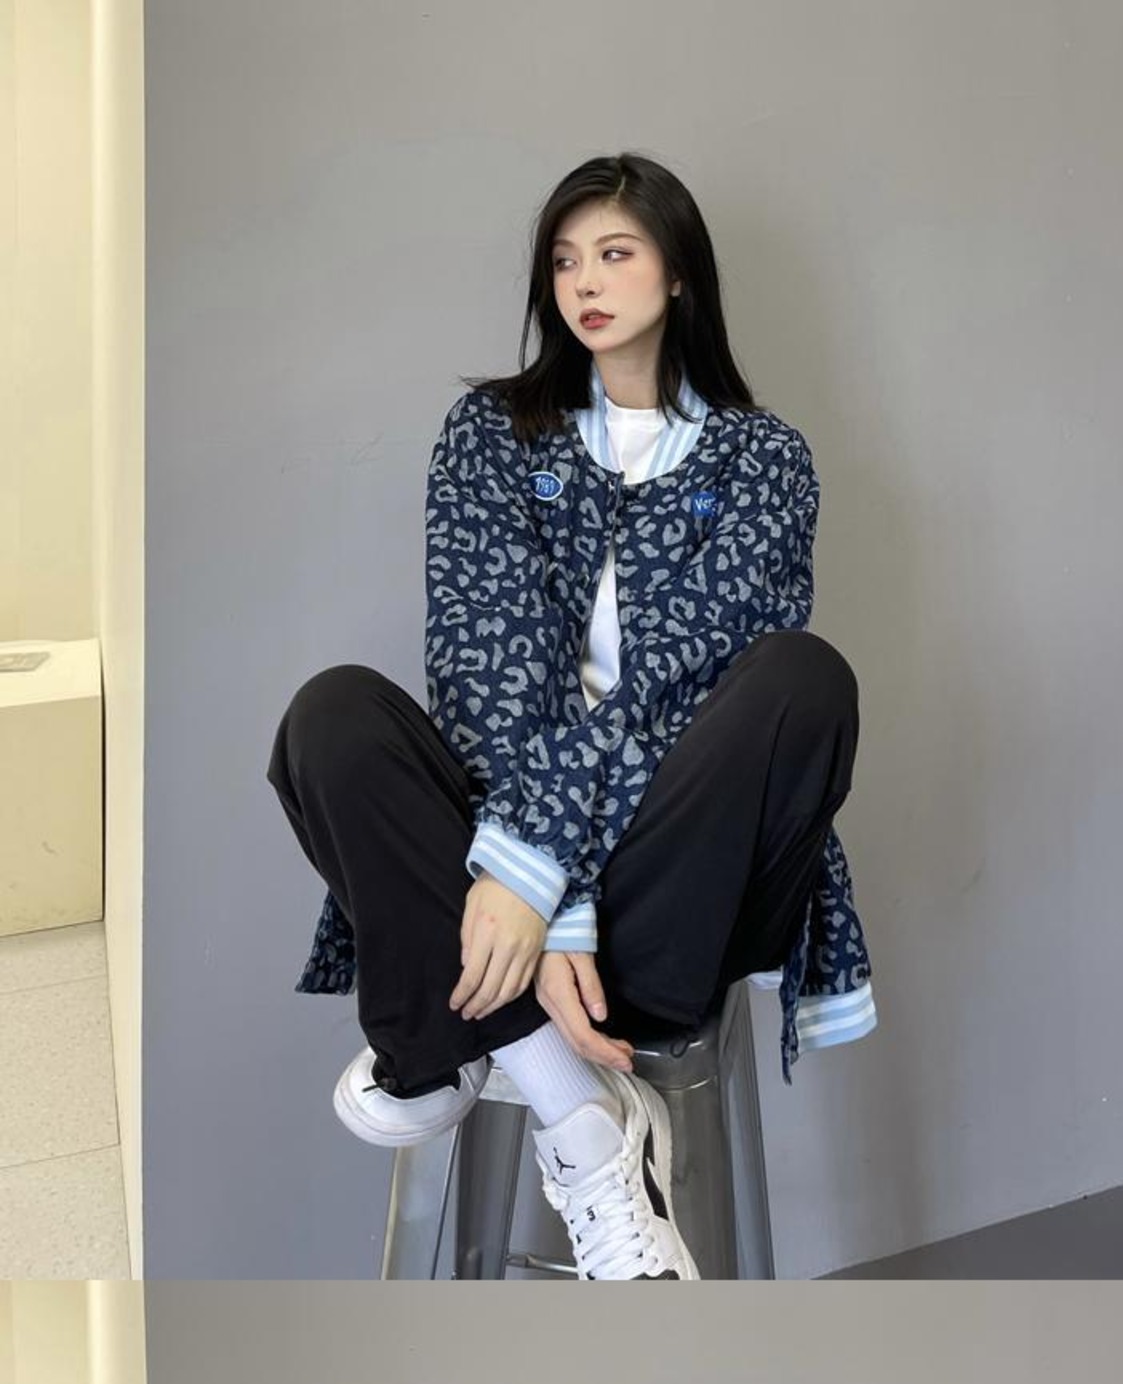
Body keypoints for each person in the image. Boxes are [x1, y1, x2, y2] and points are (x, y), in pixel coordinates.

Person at [268, 151, 874, 1285]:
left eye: (614, 252)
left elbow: (683, 690)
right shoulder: (492, 434)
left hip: (676, 885)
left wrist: (549, 879)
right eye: (562, 260)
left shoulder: (763, 460)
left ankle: (453, 1039)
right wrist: (540, 897)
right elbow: (483, 669)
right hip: (494, 883)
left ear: (678, 272)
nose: (583, 282)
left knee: (801, 678)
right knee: (332, 717)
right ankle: (583, 1116)